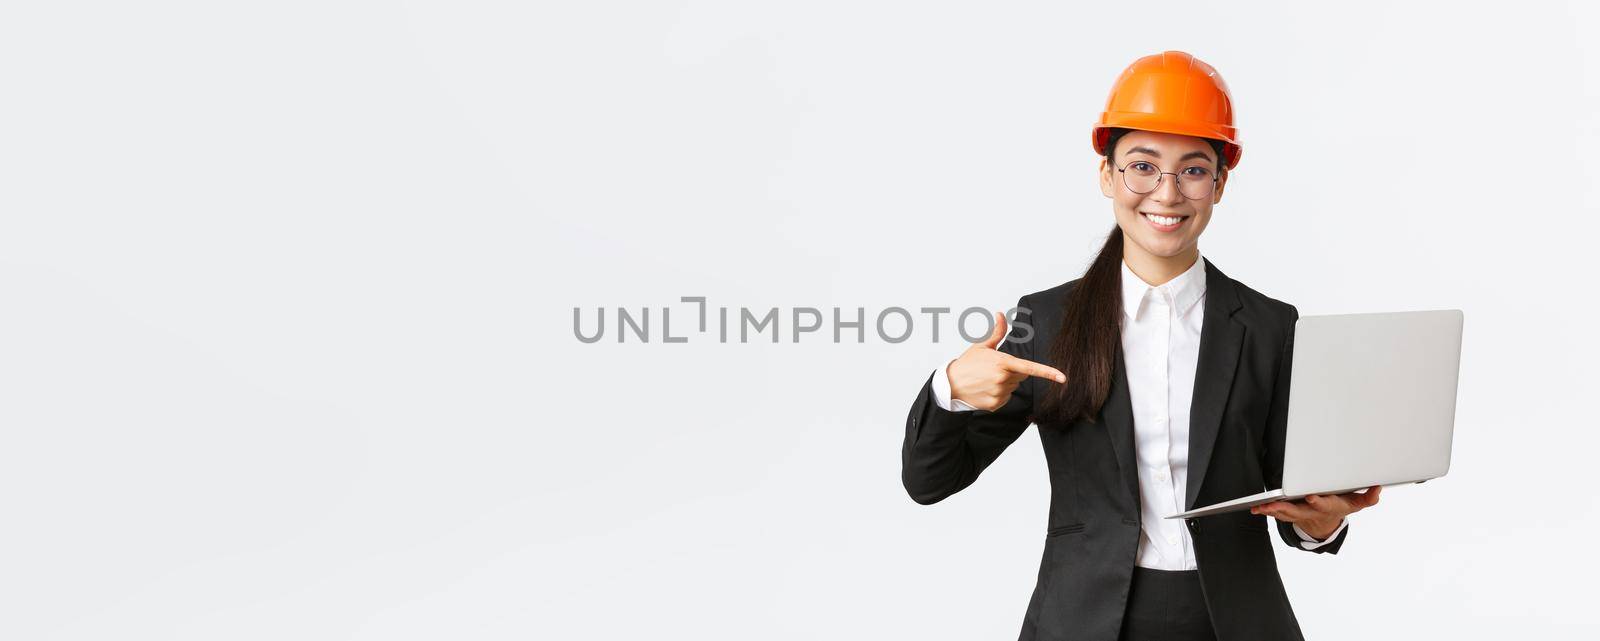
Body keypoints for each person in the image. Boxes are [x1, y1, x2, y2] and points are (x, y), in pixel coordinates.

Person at [899, 51, 1383, 641]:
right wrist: (952, 390)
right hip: (1086, 620)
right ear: (1107, 175)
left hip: (1233, 620)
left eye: (1194, 170)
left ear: (1220, 184)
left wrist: (1322, 525)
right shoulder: (1045, 322)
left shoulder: (1270, 326)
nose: (1168, 192)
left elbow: (1293, 504)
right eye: (1142, 166)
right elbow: (929, 482)